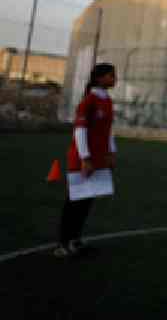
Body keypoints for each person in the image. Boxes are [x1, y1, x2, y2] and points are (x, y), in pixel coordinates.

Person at [54, 63, 117, 258]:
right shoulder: (88, 101)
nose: (115, 79)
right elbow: (80, 130)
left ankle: (75, 240)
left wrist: (111, 152)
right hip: (84, 159)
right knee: (75, 201)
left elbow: (108, 130)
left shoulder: (107, 100)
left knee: (87, 200)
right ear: (99, 78)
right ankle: (63, 244)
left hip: (99, 158)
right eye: (111, 75)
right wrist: (85, 158)